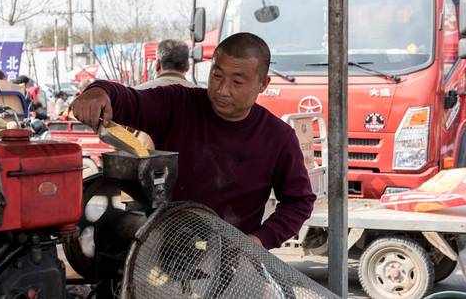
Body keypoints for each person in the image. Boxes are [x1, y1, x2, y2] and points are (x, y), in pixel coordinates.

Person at [73, 32, 315, 249]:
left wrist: (260, 239)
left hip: (231, 258)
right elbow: (130, 100)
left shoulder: (278, 136)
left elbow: (299, 201)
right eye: (217, 75)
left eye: (237, 82)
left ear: (263, 84)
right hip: (162, 250)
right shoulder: (178, 103)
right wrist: (98, 91)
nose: (222, 90)